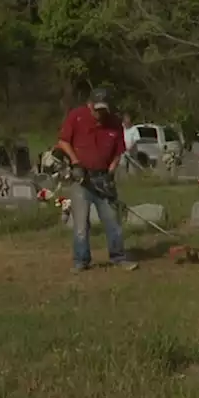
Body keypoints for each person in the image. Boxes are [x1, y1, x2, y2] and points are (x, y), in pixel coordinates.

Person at [57, 88, 138, 273]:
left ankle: (118, 257)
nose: (100, 113)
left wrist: (110, 172)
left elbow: (119, 152)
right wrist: (75, 162)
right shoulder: (76, 116)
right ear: (89, 105)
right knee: (81, 224)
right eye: (97, 109)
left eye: (103, 110)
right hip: (82, 179)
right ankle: (81, 260)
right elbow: (63, 141)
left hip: (103, 178)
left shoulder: (114, 123)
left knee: (113, 221)